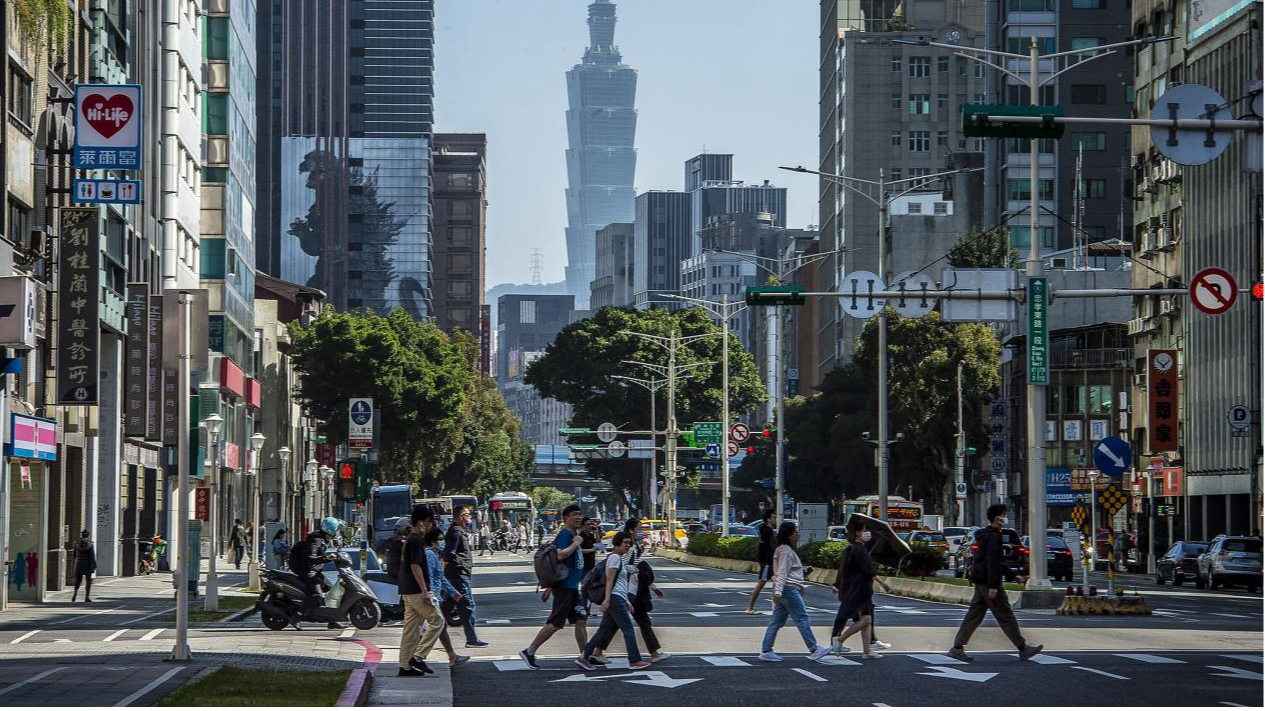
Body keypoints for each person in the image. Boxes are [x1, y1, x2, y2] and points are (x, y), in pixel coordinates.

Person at [947, 504, 1044, 663]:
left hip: (981, 582)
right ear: (997, 518)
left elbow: (996, 561)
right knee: (1005, 615)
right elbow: (992, 562)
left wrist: (1013, 575)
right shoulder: (993, 537)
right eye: (1003, 515)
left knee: (974, 615)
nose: (1004, 518)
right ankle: (1023, 648)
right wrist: (993, 586)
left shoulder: (985, 535)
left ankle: (957, 648)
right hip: (989, 583)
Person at [590, 518, 669, 665]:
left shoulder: (633, 545)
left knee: (613, 622)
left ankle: (596, 651)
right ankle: (649, 655)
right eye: (639, 528)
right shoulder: (628, 546)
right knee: (635, 622)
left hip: (631, 589)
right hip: (628, 591)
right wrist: (638, 569)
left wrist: (652, 586)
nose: (642, 531)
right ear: (632, 530)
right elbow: (622, 566)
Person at [519, 505, 587, 670]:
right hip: (565, 587)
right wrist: (576, 543)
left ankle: (586, 656)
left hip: (571, 587)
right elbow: (560, 555)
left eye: (580, 514)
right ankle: (529, 651)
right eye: (575, 515)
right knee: (555, 623)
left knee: (580, 619)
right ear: (566, 518)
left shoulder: (572, 534)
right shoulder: (565, 535)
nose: (579, 517)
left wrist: (549, 587)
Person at [758, 522, 831, 662]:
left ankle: (766, 650)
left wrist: (803, 573)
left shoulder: (783, 549)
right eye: (796, 531)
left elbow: (786, 572)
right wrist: (778, 591)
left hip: (786, 587)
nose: (798, 533)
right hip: (788, 588)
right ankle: (814, 649)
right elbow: (782, 573)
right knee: (802, 618)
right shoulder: (785, 551)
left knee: (776, 621)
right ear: (790, 535)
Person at [576, 532, 650, 670]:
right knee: (628, 629)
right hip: (614, 599)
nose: (628, 546)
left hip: (618, 598)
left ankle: (584, 657)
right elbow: (609, 580)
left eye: (629, 543)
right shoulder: (615, 558)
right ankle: (634, 660)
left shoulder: (617, 559)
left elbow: (619, 583)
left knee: (603, 630)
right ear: (617, 543)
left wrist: (626, 600)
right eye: (625, 543)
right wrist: (608, 599)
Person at [829, 519, 891, 658]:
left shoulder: (858, 548)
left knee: (866, 619)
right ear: (857, 533)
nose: (867, 533)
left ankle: (867, 651)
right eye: (864, 530)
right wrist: (883, 584)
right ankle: (839, 640)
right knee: (866, 620)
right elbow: (869, 571)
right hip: (858, 591)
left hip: (861, 590)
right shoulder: (858, 549)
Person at [398, 505, 446, 677]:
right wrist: (425, 590)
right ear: (420, 522)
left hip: (407, 589)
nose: (431, 525)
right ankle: (418, 656)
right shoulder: (417, 540)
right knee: (438, 620)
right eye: (428, 522)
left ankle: (404, 665)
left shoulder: (410, 539)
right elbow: (415, 566)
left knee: (411, 629)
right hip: (417, 590)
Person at [423, 526, 470, 667]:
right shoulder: (430, 555)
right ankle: (418, 656)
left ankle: (452, 656)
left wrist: (453, 592)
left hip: (434, 596)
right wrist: (431, 594)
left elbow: (441, 578)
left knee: (439, 627)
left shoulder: (434, 555)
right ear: (433, 541)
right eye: (440, 539)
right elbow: (430, 578)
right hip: (431, 597)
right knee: (436, 626)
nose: (443, 542)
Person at [443, 505, 488, 648]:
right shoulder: (456, 532)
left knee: (446, 607)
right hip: (459, 575)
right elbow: (448, 555)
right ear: (460, 516)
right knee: (467, 605)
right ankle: (471, 639)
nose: (469, 517)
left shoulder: (458, 531)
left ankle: (425, 629)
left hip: (457, 574)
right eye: (467, 515)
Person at [287, 516, 341, 629]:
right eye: (336, 530)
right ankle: (296, 617)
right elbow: (310, 558)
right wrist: (326, 558)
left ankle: (331, 620)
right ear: (330, 530)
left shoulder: (321, 539)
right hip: (308, 571)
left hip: (315, 571)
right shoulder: (315, 540)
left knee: (332, 591)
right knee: (317, 596)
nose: (337, 533)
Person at [745, 510, 776, 614]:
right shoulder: (767, 531)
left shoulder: (765, 530)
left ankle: (778, 607)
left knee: (779, 583)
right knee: (761, 583)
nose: (775, 519)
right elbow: (770, 546)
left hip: (769, 561)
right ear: (769, 519)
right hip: (767, 561)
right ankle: (750, 607)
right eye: (774, 517)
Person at [71, 530, 96, 603]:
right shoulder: (90, 544)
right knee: (88, 581)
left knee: (78, 580)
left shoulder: (76, 543)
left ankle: (75, 592)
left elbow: (74, 555)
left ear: (82, 535)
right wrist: (94, 565)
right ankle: (87, 596)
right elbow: (92, 556)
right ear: (88, 535)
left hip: (79, 563)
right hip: (88, 564)